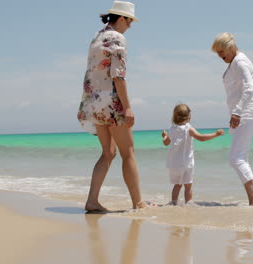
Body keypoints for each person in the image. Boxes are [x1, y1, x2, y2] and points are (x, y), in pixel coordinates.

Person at [77, 1, 147, 211]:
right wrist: (127, 107)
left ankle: (92, 200)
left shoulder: (97, 37)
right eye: (130, 21)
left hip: (94, 103)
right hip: (112, 103)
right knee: (128, 153)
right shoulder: (117, 38)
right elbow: (118, 76)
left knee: (108, 152)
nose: (130, 26)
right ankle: (139, 203)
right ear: (122, 18)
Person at [211, 32, 253, 205]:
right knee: (241, 157)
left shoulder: (240, 62)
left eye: (221, 52)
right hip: (244, 113)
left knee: (236, 158)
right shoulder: (235, 62)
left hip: (247, 113)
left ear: (230, 47)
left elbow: (250, 89)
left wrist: (237, 112)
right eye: (217, 53)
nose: (220, 56)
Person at [161, 104, 224, 205]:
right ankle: (189, 203)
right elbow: (201, 137)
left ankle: (173, 203)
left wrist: (164, 136)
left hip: (174, 164)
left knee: (177, 185)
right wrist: (215, 134)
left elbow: (166, 143)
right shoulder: (188, 128)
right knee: (188, 185)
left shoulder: (172, 129)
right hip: (187, 163)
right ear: (189, 117)